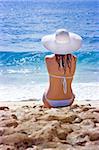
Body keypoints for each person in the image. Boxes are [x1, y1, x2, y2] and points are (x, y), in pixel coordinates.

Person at [41, 29, 82, 108]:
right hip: (69, 100)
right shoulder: (74, 59)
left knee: (48, 87)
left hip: (50, 100)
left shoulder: (48, 59)